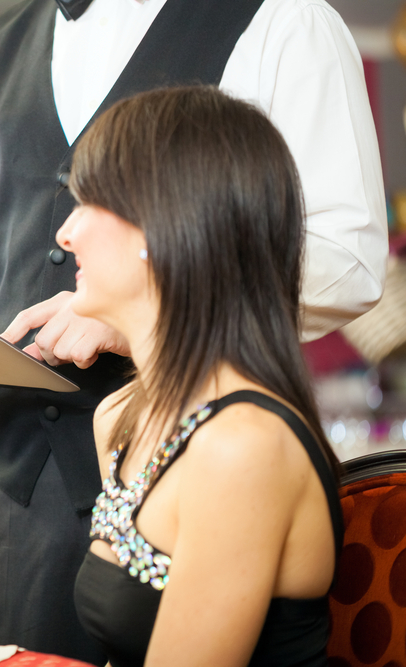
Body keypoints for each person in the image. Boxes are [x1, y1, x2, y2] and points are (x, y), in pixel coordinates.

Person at [0, 0, 384, 662]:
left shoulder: (285, 19)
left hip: (196, 431)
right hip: (20, 480)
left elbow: (346, 260)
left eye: (95, 203)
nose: (68, 229)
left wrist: (153, 307)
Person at [67, 85, 341, 667]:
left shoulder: (242, 446)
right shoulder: (118, 416)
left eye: (87, 205)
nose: (66, 235)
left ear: (159, 227)